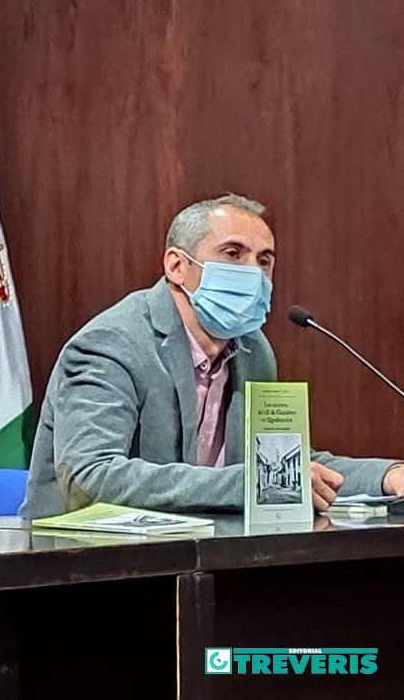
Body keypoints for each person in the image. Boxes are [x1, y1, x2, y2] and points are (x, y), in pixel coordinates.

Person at [20, 194, 404, 518]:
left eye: (264, 260)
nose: (253, 273)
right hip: (83, 568)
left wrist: (388, 475)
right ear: (177, 265)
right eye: (233, 253)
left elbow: (288, 466)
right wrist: (248, 484)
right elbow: (89, 476)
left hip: (205, 554)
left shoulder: (254, 351)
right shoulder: (112, 344)